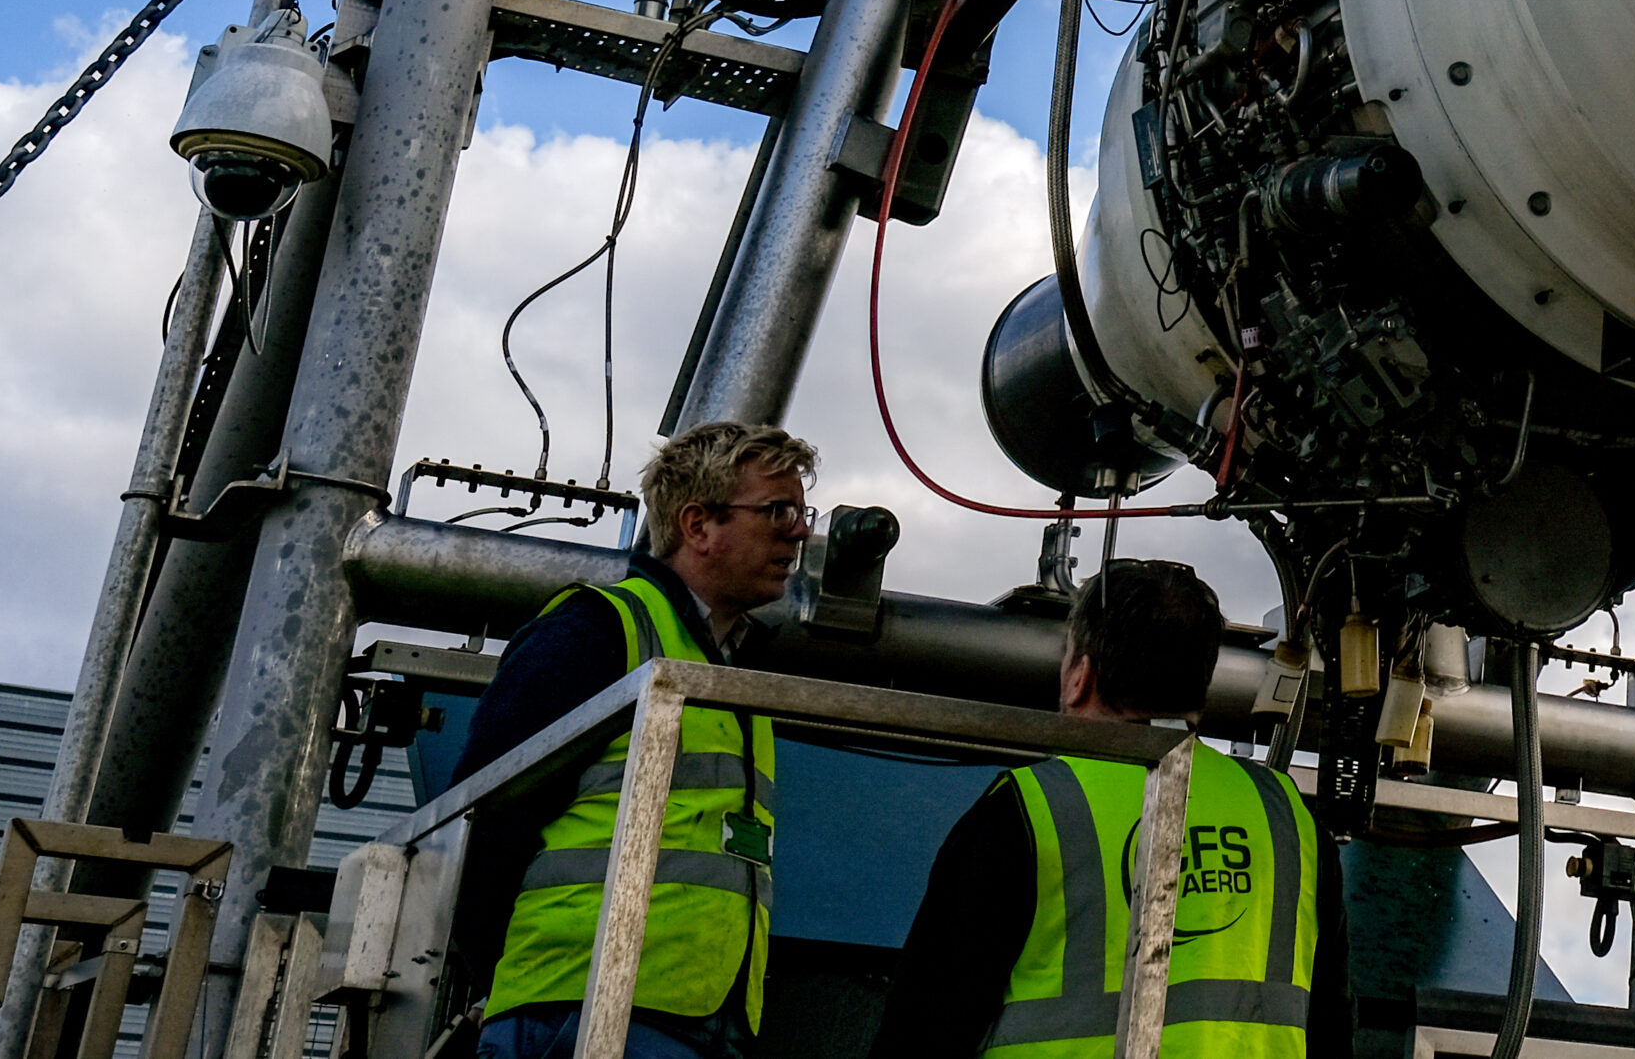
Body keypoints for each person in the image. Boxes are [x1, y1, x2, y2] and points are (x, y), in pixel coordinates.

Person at [457, 421, 820, 1059]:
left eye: (800, 511)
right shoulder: (599, 630)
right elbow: (483, 817)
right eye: (776, 511)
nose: (797, 531)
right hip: (581, 1009)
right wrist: (510, 986)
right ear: (697, 525)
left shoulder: (734, 669)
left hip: (703, 1017)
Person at [867, 562, 1330, 1059]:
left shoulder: (1026, 810)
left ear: (1079, 677)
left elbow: (920, 1032)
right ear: (1201, 686)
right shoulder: (1289, 819)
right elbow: (1330, 1028)